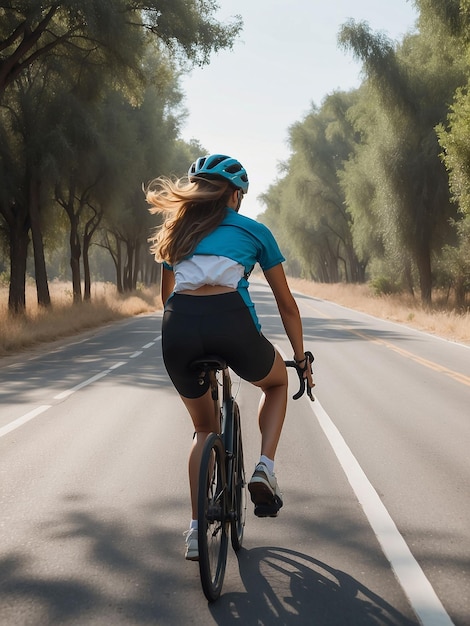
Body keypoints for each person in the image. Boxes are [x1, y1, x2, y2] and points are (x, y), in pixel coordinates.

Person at [146, 154, 314, 560]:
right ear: (235, 196)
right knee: (276, 382)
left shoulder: (175, 231)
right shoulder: (254, 231)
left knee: (203, 429)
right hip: (232, 325)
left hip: (179, 329)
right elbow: (286, 304)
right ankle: (264, 470)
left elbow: (167, 297)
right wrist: (300, 359)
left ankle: (193, 530)